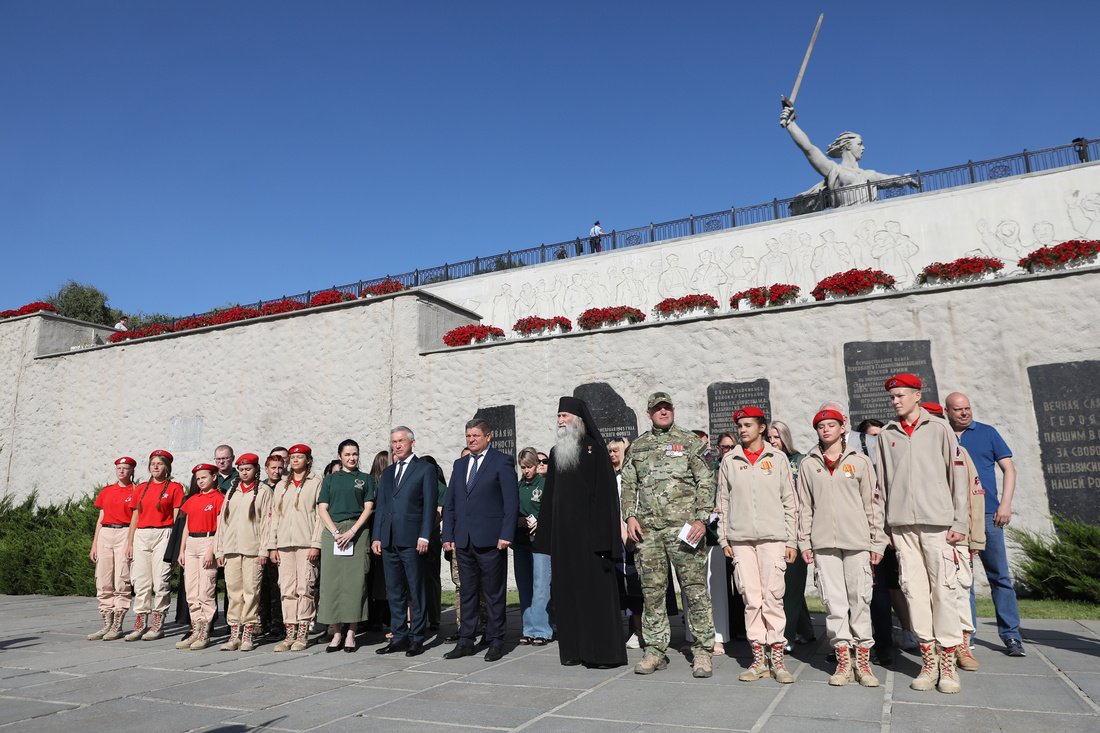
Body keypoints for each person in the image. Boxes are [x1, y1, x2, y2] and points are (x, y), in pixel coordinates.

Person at [877, 374, 968, 693]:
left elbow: (957, 477)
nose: (895, 401)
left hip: (937, 525)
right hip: (902, 527)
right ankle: (928, 662)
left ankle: (948, 665)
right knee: (913, 592)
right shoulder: (887, 433)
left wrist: (960, 522)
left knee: (943, 591)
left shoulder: (940, 428)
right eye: (891, 397)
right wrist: (885, 527)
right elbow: (882, 484)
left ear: (918, 396)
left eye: (901, 395)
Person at [620, 392, 715, 679]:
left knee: (695, 590)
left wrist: (702, 519)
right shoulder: (638, 446)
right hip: (648, 533)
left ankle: (702, 651)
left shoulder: (690, 441)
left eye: (667, 408)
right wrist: (630, 516)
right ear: (648, 413)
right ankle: (655, 651)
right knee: (652, 593)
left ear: (673, 410)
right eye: (657, 409)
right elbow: (628, 484)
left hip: (685, 530)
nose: (663, 412)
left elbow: (706, 480)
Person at [797, 409, 886, 687]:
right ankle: (843, 661)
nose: (826, 430)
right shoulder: (808, 464)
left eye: (831, 425)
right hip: (824, 544)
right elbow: (804, 507)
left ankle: (863, 663)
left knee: (859, 601)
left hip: (857, 542)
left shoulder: (859, 461)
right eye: (821, 426)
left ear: (842, 428)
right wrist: (804, 541)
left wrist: (877, 541)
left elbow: (873, 505)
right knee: (834, 604)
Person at [535, 400, 626, 668]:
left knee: (594, 596)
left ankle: (602, 654)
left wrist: (603, 541)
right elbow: (551, 497)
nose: (560, 420)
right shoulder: (555, 453)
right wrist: (546, 540)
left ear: (578, 419)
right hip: (564, 541)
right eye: (558, 416)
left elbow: (606, 500)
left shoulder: (595, 450)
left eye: (565, 415)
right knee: (568, 595)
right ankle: (574, 651)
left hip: (591, 541)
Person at [718, 406, 798, 683]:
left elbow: (790, 500)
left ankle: (777, 659)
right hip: (740, 540)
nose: (742, 430)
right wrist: (724, 537)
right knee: (751, 598)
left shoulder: (777, 459)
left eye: (748, 425)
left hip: (773, 538)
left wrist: (792, 539)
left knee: (772, 597)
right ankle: (757, 659)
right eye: (739, 425)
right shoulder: (730, 460)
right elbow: (723, 502)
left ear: (762, 428)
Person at [944, 391, 1026, 658]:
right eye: (958, 410)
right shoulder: (941, 434)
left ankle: (1011, 635)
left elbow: (1009, 469)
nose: (965, 413)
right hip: (955, 520)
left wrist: (1005, 504)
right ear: (948, 411)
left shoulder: (988, 433)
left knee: (999, 577)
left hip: (989, 515)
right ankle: (967, 637)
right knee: (961, 580)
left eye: (967, 408)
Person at [443, 419, 518, 663]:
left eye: (476, 435)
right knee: (467, 593)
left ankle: (496, 641)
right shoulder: (460, 463)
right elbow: (452, 502)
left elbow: (511, 501)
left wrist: (506, 534)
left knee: (494, 594)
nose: (471, 439)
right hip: (464, 541)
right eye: (468, 436)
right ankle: (466, 641)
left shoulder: (502, 461)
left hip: (491, 540)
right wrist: (448, 535)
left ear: (488, 437)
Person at [922, 402, 984, 673]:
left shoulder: (960, 452)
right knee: (927, 593)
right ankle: (936, 645)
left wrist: (974, 539)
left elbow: (974, 497)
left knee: (957, 590)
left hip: (955, 537)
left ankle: (962, 645)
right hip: (925, 536)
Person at [779, 102, 919, 213]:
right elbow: (808, 148)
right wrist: (791, 124)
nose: (863, 148)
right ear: (847, 146)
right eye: (859, 144)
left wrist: (904, 179)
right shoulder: (834, 170)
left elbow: (889, 179)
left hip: (870, 216)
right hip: (844, 217)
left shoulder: (869, 174)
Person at [373, 428, 436, 657]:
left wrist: (424, 535)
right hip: (389, 540)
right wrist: (377, 536)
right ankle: (398, 636)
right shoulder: (388, 473)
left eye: (401, 441)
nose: (397, 446)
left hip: (412, 540)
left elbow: (429, 506)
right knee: (395, 591)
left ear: (412, 442)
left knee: (416, 591)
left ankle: (417, 638)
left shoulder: (425, 469)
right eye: (394, 442)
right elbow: (382, 507)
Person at [317, 439, 375, 653]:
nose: (352, 458)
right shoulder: (330, 480)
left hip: (357, 533)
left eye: (355, 454)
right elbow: (323, 509)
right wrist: (335, 532)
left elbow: (368, 508)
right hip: (333, 532)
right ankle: (336, 632)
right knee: (332, 584)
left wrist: (351, 532)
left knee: (355, 583)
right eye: (348, 454)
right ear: (340, 456)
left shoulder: (366, 479)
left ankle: (351, 633)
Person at [266, 444, 323, 652]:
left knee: (304, 588)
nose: (295, 460)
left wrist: (316, 544)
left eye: (300, 457)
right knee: (287, 589)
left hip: (306, 544)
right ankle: (289, 633)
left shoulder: (316, 482)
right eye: (293, 457)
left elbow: (320, 517)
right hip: (283, 545)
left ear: (308, 459)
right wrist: (272, 546)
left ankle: (302, 633)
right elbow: (274, 517)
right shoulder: (281, 485)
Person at [214, 453, 272, 652]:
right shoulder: (232, 491)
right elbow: (222, 523)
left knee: (251, 591)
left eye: (248, 469)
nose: (244, 472)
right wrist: (219, 550)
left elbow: (267, 523)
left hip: (253, 550)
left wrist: (264, 549)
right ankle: (234, 634)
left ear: (256, 470)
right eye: (241, 469)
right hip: (231, 550)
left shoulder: (264, 491)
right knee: (233, 592)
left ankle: (247, 633)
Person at [125, 449, 184, 641]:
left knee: (161, 580)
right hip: (142, 534)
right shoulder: (141, 488)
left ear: (167, 466)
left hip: (164, 533)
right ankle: (141, 623)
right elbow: (135, 516)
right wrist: (130, 543)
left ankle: (158, 624)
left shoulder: (175, 487)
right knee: (140, 582)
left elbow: (177, 517)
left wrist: (175, 544)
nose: (155, 466)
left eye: (159, 463)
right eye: (152, 464)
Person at [768, 421, 815, 649]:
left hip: (797, 531)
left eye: (776, 437)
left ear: (785, 438)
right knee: (785, 584)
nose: (772, 442)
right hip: (775, 529)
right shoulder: (768, 462)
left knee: (792, 586)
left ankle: (786, 636)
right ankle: (806, 629)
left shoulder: (800, 461)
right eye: (769, 437)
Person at [176, 464, 226, 650]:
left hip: (208, 541)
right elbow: (186, 527)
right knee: (191, 590)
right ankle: (195, 629)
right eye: (198, 479)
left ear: (214, 476)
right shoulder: (193, 499)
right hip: (191, 545)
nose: (201, 481)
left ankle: (205, 632)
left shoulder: (219, 498)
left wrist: (211, 551)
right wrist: (182, 550)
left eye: (204, 477)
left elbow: (220, 528)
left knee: (206, 590)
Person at [88, 457, 137, 641]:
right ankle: (107, 623)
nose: (121, 471)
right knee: (103, 579)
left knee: (122, 578)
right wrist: (95, 544)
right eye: (119, 468)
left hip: (124, 532)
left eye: (126, 468)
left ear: (132, 471)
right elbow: (101, 517)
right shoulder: (107, 491)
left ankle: (118, 625)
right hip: (106, 533)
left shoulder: (136, 490)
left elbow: (135, 517)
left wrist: (131, 543)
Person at [513, 447, 552, 646]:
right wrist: (517, 520)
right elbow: (510, 510)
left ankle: (542, 630)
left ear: (537, 465)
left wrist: (541, 521)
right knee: (525, 586)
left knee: (541, 586)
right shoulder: (518, 486)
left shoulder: (545, 484)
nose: (526, 471)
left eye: (529, 467)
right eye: (523, 467)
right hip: (521, 541)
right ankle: (528, 629)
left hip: (541, 542)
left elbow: (553, 510)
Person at [608, 437, 643, 649]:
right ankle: (633, 630)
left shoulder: (629, 476)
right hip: (620, 537)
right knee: (627, 590)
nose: (612, 455)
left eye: (616, 451)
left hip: (636, 535)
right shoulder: (611, 477)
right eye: (610, 451)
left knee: (637, 588)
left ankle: (639, 631)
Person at [420, 455, 449, 632]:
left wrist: (424, 532)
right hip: (415, 537)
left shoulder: (440, 488)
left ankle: (435, 616)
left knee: (431, 577)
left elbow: (439, 514)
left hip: (431, 537)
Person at [259, 454, 286, 638]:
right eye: (273, 468)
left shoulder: (286, 487)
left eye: (279, 468)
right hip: (261, 541)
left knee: (278, 585)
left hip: (278, 540)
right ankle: (262, 620)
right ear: (266, 469)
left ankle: (278, 623)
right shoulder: (260, 487)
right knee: (261, 586)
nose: (276, 471)